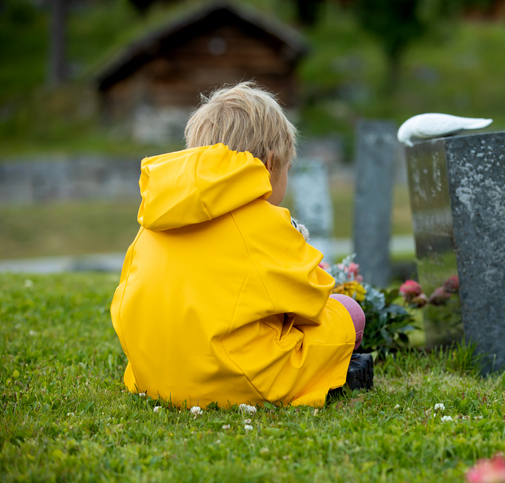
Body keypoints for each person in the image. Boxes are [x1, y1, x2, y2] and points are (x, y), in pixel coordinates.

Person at [110, 82, 370, 409]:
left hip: (155, 375)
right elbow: (311, 306)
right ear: (271, 163)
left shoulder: (156, 217)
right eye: (287, 169)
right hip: (239, 379)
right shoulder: (265, 222)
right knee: (349, 312)